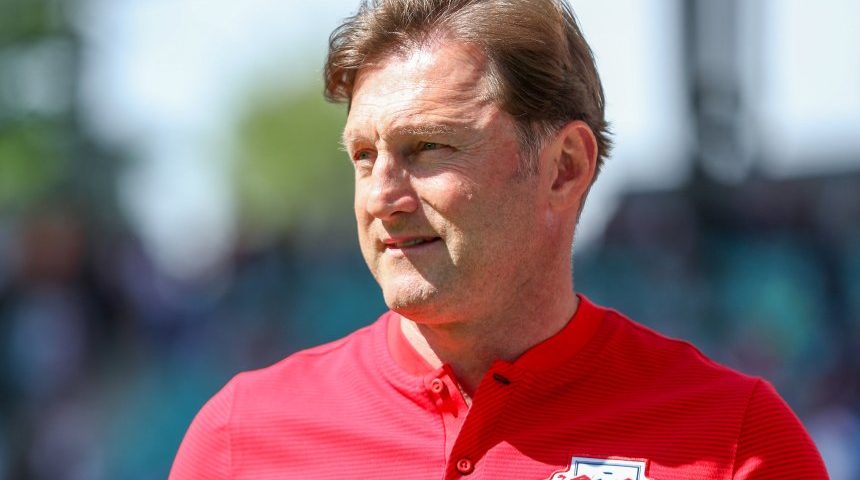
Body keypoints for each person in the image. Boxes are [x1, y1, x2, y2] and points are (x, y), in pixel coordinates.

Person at [169, 0, 828, 478]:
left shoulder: (737, 440)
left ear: (564, 167)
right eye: (365, 157)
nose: (380, 198)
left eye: (429, 147)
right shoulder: (238, 440)